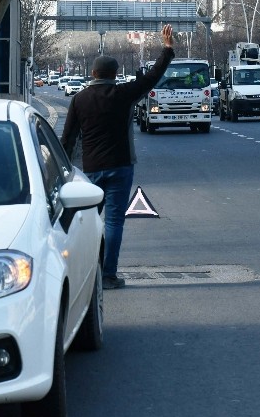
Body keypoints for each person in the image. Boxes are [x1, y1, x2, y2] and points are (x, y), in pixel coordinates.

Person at [61, 23, 175, 289]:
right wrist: (167, 49)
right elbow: (152, 77)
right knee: (114, 222)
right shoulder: (124, 95)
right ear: (114, 75)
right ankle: (109, 275)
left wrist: (65, 172)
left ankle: (87, 274)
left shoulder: (79, 100)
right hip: (121, 166)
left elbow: (67, 139)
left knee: (88, 223)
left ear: (92, 73)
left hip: (90, 170)